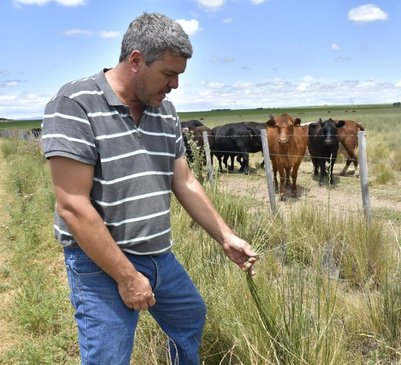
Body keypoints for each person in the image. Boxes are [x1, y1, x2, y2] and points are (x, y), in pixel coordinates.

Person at [41, 12, 258, 365]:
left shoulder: (165, 112)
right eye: (169, 74)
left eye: (178, 75)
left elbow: (184, 180)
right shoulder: (75, 103)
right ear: (136, 60)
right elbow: (72, 206)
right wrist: (127, 277)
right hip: (101, 263)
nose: (174, 85)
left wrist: (226, 236)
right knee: (108, 358)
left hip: (160, 256)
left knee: (189, 316)